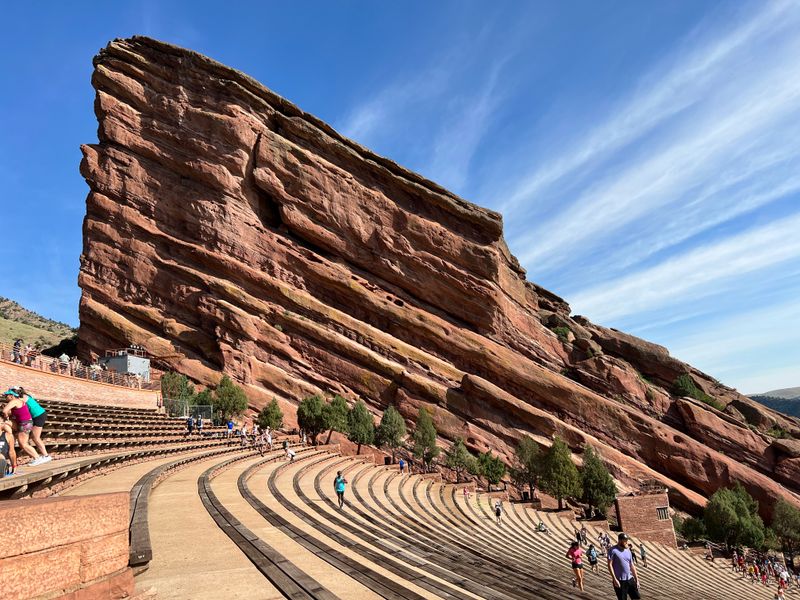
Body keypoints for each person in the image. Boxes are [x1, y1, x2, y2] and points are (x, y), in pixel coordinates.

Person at [2, 391, 43, 465]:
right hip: (25, 423)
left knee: (23, 443)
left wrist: (6, 416)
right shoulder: (19, 401)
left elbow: (4, 411)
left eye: (6, 396)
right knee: (22, 444)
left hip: (25, 424)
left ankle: (37, 458)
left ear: (11, 396)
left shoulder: (14, 401)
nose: (5, 397)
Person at [12, 387, 49, 461]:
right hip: (37, 415)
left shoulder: (22, 398)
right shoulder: (25, 396)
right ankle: (45, 455)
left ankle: (46, 456)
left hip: (38, 415)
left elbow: (17, 405)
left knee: (35, 437)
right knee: (34, 437)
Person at [608, 533, 640, 600]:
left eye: (627, 540)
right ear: (620, 540)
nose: (626, 542)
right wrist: (614, 579)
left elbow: (632, 565)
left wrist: (637, 580)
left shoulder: (628, 551)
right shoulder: (613, 550)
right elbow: (610, 565)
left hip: (630, 579)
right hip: (620, 581)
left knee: (636, 598)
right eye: (625, 541)